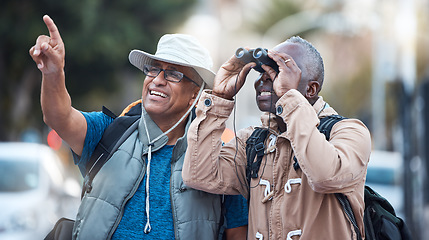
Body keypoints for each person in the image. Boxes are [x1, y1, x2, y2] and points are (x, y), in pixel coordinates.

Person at [29, 15, 248, 239]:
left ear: (195, 94)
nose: (157, 80)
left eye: (173, 73)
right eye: (154, 69)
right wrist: (53, 73)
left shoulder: (217, 160)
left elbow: (237, 233)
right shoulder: (111, 133)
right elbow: (58, 116)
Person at [182, 36, 372, 240]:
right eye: (263, 71)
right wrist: (220, 98)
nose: (265, 78)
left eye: (280, 71)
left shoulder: (349, 131)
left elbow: (325, 176)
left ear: (311, 89)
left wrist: (289, 98)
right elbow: (199, 175)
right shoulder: (253, 141)